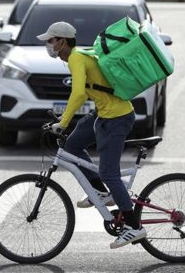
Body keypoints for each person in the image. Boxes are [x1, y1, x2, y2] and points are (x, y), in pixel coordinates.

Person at [36, 21, 146, 249]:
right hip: (103, 113)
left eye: (51, 40)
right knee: (72, 145)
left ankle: (134, 226)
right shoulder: (76, 57)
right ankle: (101, 192)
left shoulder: (76, 58)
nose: (48, 44)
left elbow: (77, 94)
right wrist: (64, 122)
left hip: (116, 117)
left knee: (109, 172)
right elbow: (89, 91)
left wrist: (64, 122)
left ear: (62, 42)